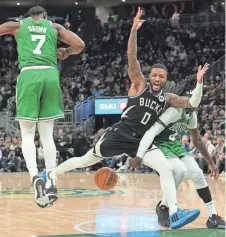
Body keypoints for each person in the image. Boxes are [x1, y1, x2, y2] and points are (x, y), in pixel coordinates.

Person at [44, 8, 208, 229]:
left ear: (166, 79)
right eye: (155, 75)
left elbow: (192, 104)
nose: (158, 78)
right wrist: (133, 31)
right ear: (150, 76)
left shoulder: (168, 98)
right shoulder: (139, 85)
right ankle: (50, 173)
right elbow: (132, 58)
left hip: (142, 142)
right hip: (120, 135)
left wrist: (198, 83)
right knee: (85, 160)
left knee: (168, 169)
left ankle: (175, 212)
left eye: (162, 76)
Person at [0, 6, 85, 208]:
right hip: (50, 74)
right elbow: (80, 44)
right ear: (45, 17)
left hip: (29, 74)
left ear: (30, 17)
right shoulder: (54, 27)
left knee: (27, 134)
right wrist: (66, 51)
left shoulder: (18, 25)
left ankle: (34, 177)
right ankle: (52, 182)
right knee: (47, 136)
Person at [134, 102, 225, 229]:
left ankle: (212, 216)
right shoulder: (172, 109)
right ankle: (166, 208)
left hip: (174, 145)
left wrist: (211, 162)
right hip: (157, 145)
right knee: (178, 170)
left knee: (198, 173)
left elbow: (197, 140)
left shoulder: (191, 115)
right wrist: (139, 153)